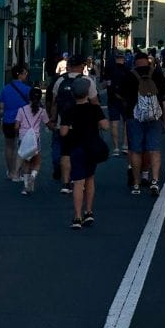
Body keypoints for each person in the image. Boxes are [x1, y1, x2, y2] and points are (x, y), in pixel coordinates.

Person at [116, 52, 165, 196]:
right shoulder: (157, 73)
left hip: (134, 116)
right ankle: (155, 180)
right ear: (148, 61)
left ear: (135, 62)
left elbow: (120, 95)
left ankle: (136, 183)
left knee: (135, 150)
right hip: (154, 116)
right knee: (154, 148)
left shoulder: (129, 75)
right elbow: (164, 96)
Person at [60, 81, 108, 227]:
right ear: (87, 93)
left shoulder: (69, 110)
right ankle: (88, 211)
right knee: (90, 179)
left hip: (76, 147)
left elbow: (63, 132)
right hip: (92, 147)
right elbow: (105, 126)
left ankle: (77, 216)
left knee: (78, 183)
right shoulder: (95, 109)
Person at [46, 55, 96, 193]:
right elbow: (95, 102)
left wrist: (53, 118)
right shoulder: (87, 81)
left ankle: (66, 183)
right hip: (84, 124)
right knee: (82, 151)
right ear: (82, 66)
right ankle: (79, 179)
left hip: (63, 122)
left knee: (65, 152)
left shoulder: (60, 81)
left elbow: (55, 102)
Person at [0, 64, 33, 181]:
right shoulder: (27, 89)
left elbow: (1, 108)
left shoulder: (5, 89)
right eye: (25, 73)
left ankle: (12, 172)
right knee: (23, 147)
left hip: (8, 120)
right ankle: (22, 171)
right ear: (20, 74)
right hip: (23, 121)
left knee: (9, 146)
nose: (26, 75)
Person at [14, 87, 48, 195]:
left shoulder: (21, 109)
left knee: (26, 162)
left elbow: (16, 126)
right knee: (37, 161)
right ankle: (33, 176)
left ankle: (25, 187)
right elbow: (47, 123)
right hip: (35, 139)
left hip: (23, 138)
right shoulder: (42, 111)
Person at [104, 53, 130, 156]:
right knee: (126, 123)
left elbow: (105, 84)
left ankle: (116, 148)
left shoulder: (110, 69)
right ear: (123, 59)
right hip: (125, 100)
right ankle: (125, 145)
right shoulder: (127, 69)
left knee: (114, 123)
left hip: (112, 99)